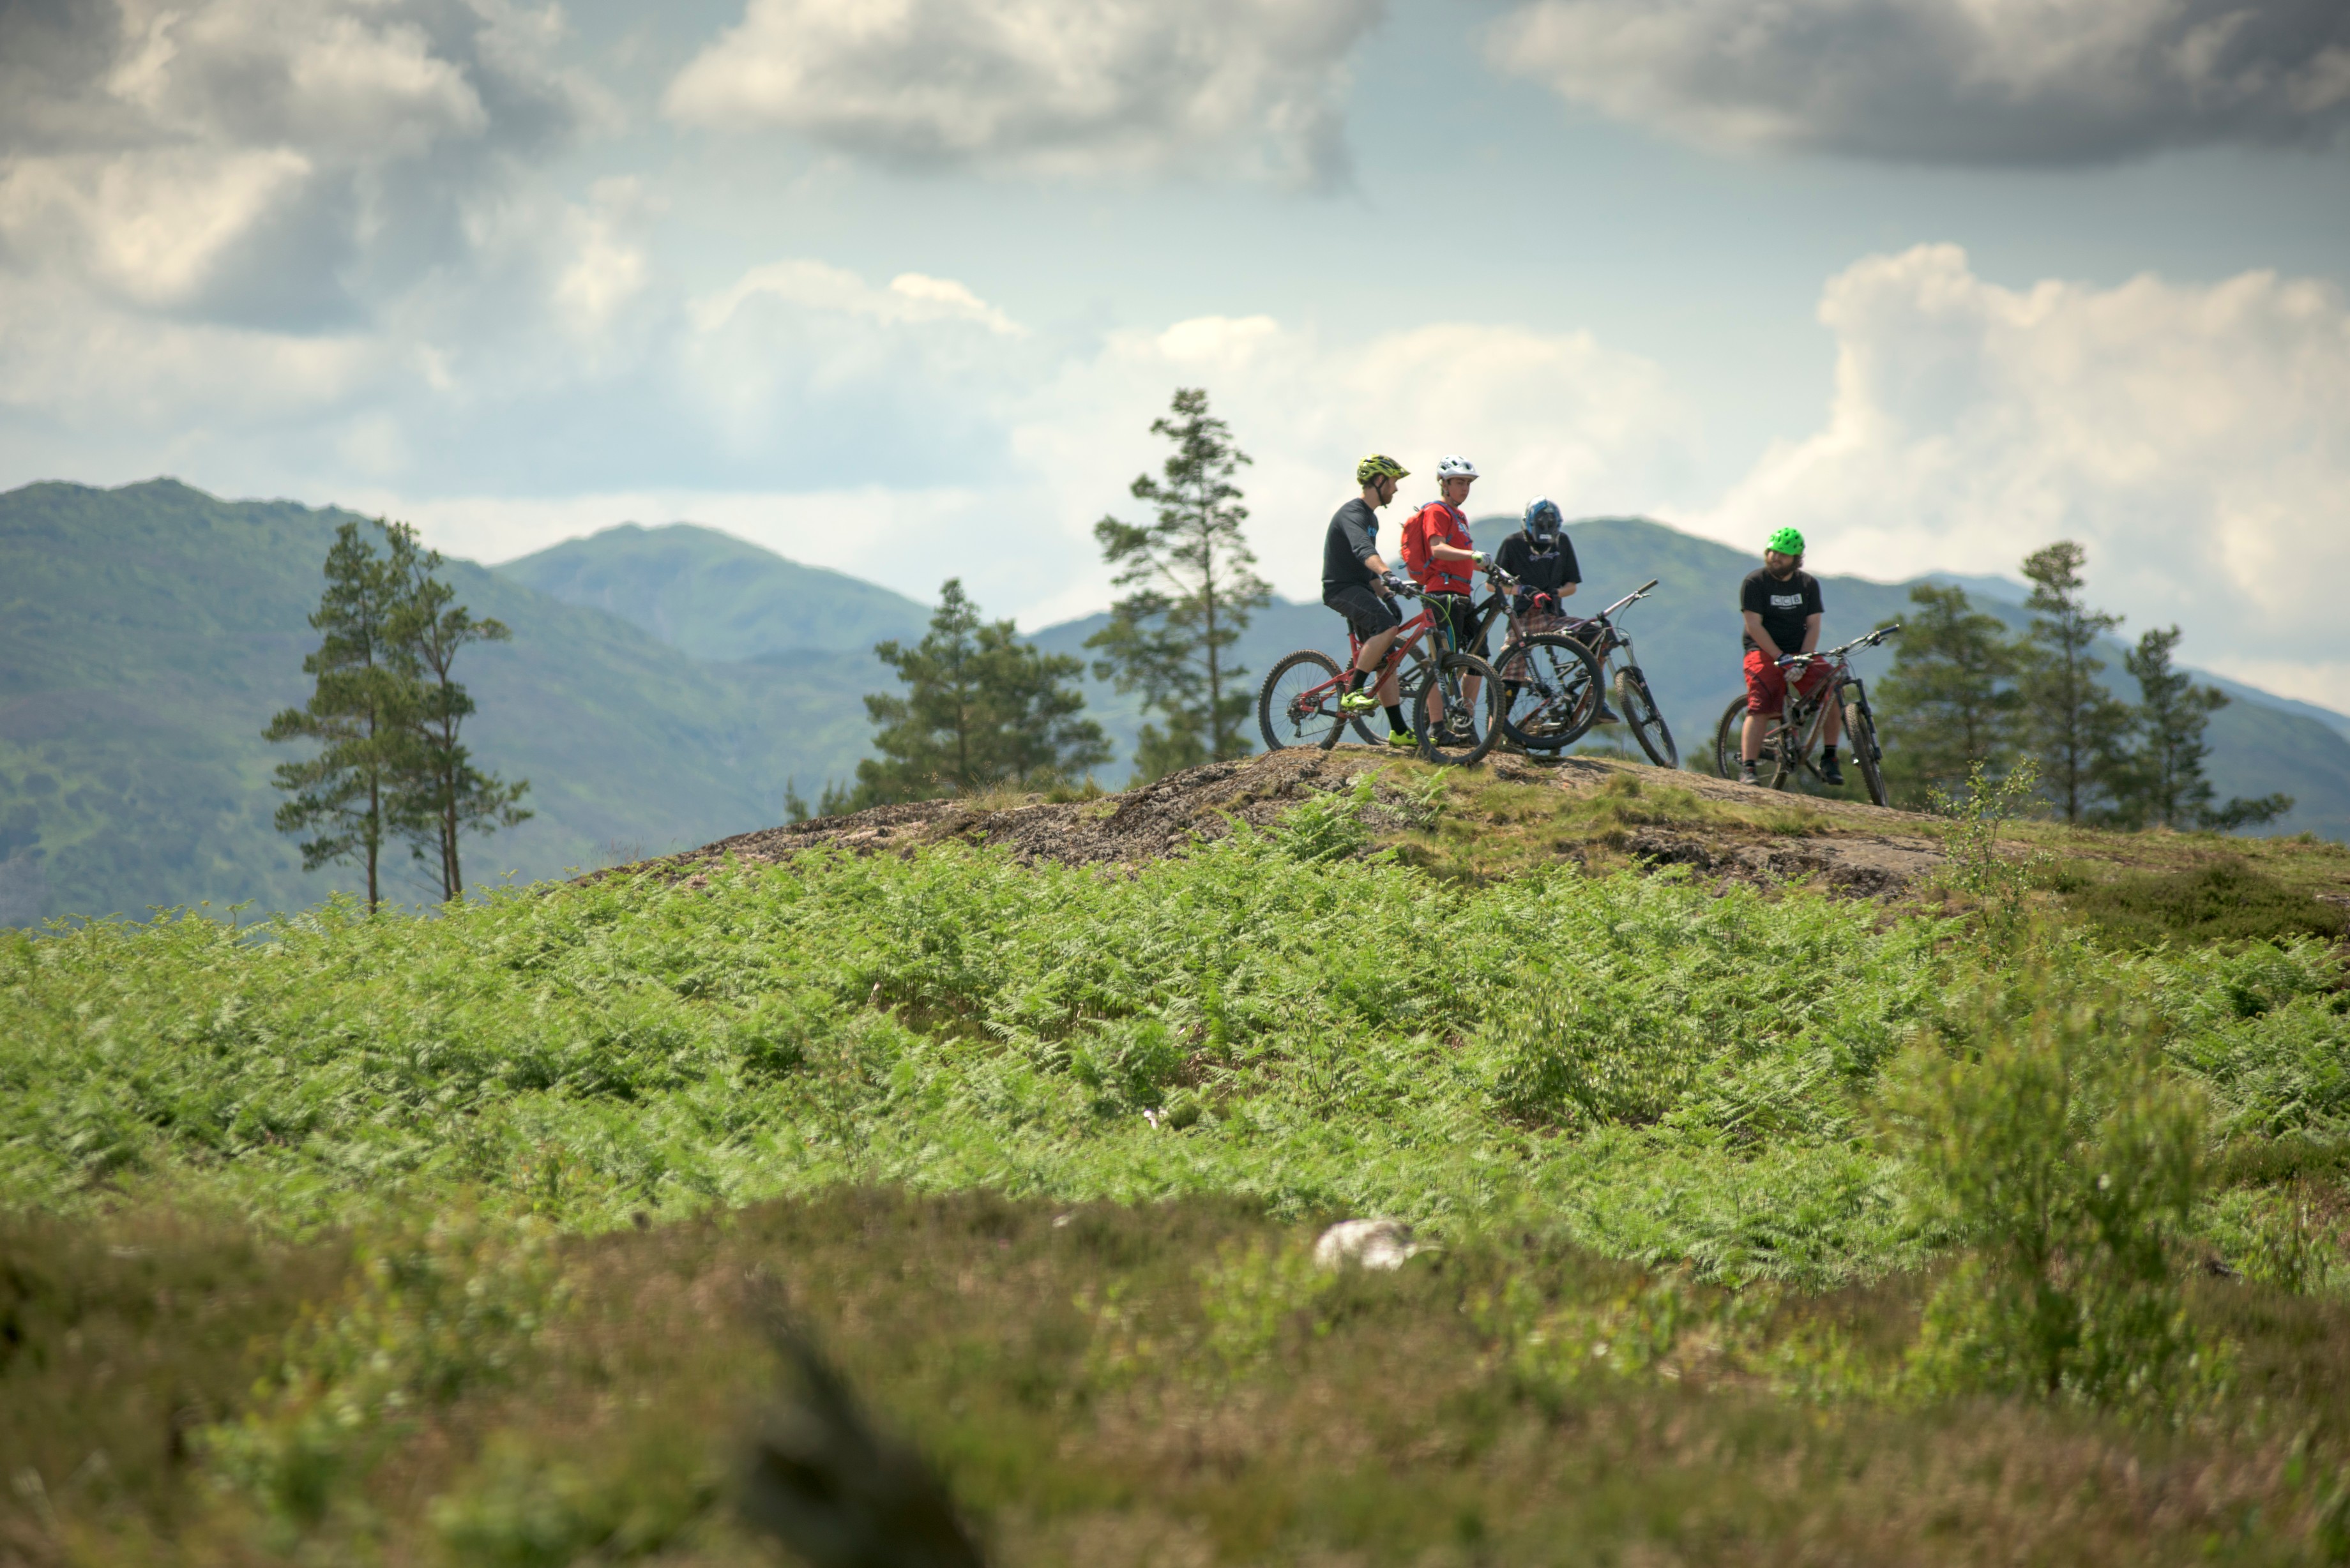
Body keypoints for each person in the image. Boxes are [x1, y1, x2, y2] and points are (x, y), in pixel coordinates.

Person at [1324, 453, 1417, 747]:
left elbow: (1367, 568)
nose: (1396, 489)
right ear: (1379, 481)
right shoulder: (1354, 513)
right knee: (1387, 628)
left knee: (1386, 660)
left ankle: (1399, 731)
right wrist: (1388, 574)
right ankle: (1353, 692)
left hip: (1361, 588)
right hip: (1340, 589)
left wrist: (1387, 594)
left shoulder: (1372, 517)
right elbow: (1364, 550)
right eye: (1393, 482)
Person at [1738, 525, 1842, 787]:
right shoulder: (1755, 582)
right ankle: (1749, 768)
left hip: (1799, 651)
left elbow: (1814, 625)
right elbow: (1754, 625)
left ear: (1796, 559)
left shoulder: (1808, 585)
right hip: (1763, 650)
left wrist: (1804, 658)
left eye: (1783, 554)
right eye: (1772, 552)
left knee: (1831, 689)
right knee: (1761, 700)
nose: (1775, 558)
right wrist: (1781, 657)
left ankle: (1830, 758)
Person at [1399, 455, 1489, 722]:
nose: (1465, 488)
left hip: (1461, 594)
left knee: (1479, 655)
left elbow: (1460, 558)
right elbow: (1438, 548)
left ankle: (1464, 719)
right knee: (1445, 662)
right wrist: (1472, 555)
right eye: (1459, 482)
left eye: (1468, 483)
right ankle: (1438, 726)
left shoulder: (1460, 516)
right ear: (1444, 483)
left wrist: (1488, 567)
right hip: (1443, 594)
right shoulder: (1438, 511)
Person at [1494, 496, 1580, 629]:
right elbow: (1493, 586)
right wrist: (1523, 590)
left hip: (1554, 614)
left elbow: (1572, 586)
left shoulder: (1563, 541)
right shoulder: (1512, 543)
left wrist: (1554, 594)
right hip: (1523, 617)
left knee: (1593, 633)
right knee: (1512, 650)